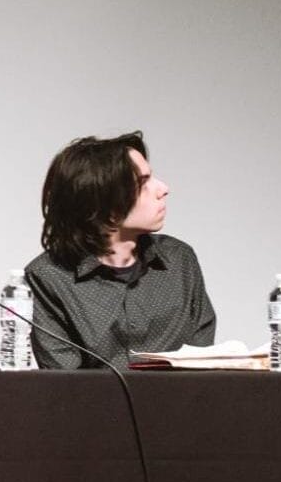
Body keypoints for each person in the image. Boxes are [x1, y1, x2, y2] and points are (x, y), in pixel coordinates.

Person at [23, 132, 215, 369]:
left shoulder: (178, 260)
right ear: (103, 202)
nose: (163, 188)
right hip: (96, 406)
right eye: (143, 182)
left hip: (182, 404)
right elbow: (65, 385)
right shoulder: (49, 276)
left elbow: (203, 366)